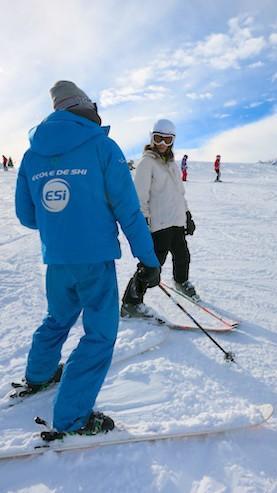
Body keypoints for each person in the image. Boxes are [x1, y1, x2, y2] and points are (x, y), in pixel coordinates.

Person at [15, 80, 160, 437]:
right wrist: (149, 259)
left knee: (58, 317)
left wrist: (59, 222)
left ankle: (39, 374)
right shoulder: (101, 146)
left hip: (58, 258)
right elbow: (128, 211)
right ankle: (72, 416)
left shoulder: (33, 154)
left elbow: (27, 215)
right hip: (94, 259)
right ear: (85, 106)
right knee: (99, 334)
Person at [121, 119, 198, 319]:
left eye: (167, 139)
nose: (163, 143)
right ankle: (131, 302)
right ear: (151, 138)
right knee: (152, 264)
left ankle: (181, 282)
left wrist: (187, 215)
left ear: (172, 141)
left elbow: (179, 194)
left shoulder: (172, 164)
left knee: (183, 257)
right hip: (159, 225)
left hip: (176, 222)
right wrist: (143, 222)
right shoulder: (146, 163)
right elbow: (140, 197)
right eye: (158, 138)